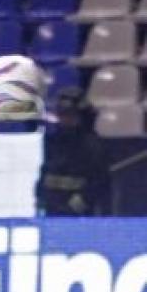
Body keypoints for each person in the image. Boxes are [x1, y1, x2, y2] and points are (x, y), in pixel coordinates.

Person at [35, 87, 112, 217]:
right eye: (62, 116)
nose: (65, 120)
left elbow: (98, 184)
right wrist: (42, 199)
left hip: (79, 217)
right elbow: (45, 175)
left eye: (70, 116)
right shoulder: (53, 142)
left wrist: (74, 207)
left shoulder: (93, 147)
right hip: (51, 213)